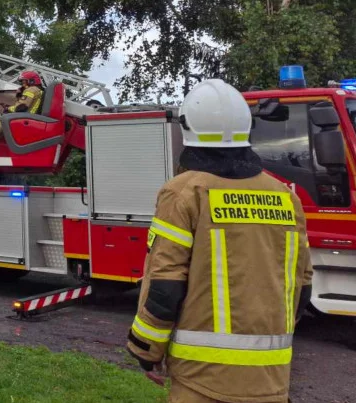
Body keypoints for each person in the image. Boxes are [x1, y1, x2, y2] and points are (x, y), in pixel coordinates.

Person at [126, 79, 312, 403]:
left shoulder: (184, 192)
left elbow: (165, 284)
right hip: (272, 380)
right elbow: (302, 285)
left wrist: (146, 350)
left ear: (188, 129)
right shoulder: (285, 196)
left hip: (201, 381)